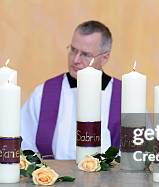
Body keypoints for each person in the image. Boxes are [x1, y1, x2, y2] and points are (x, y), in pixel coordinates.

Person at [20, 20, 121, 159]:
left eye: (85, 54)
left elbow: (139, 151)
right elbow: (23, 143)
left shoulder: (124, 97)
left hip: (110, 180)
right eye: (73, 50)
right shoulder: (45, 93)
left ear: (104, 58)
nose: (75, 60)